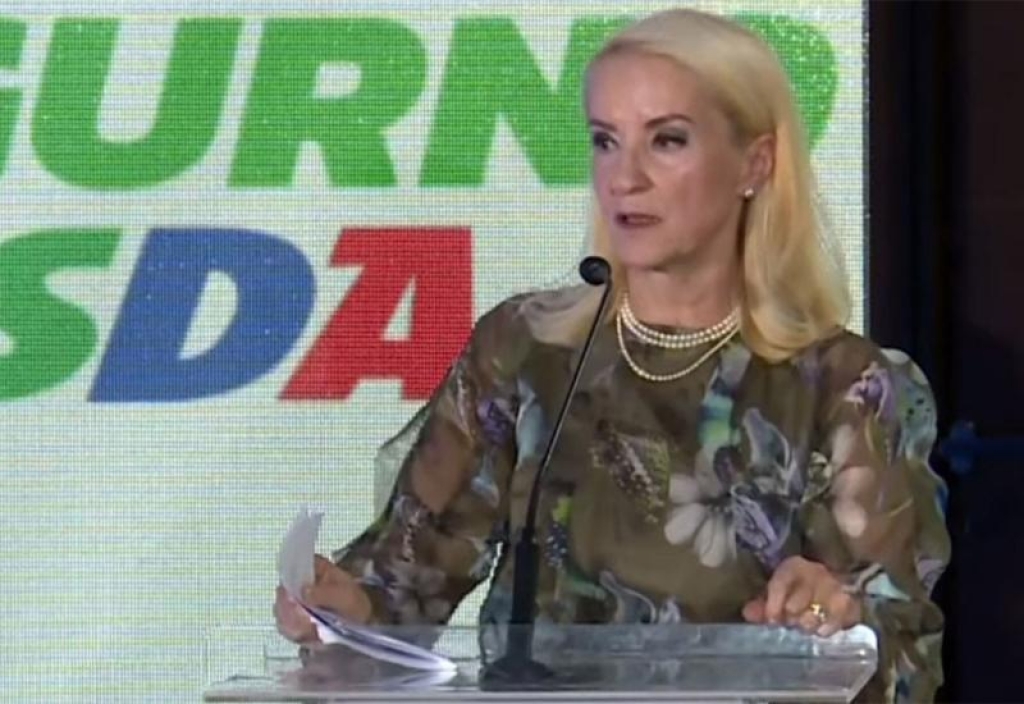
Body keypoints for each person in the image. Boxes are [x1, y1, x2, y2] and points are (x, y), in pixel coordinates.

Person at [274, 8, 950, 702]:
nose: (625, 177)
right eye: (606, 141)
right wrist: (343, 612)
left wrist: (835, 621)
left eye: (667, 140)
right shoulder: (526, 351)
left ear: (755, 162)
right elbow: (404, 583)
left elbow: (902, 665)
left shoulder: (847, 388)